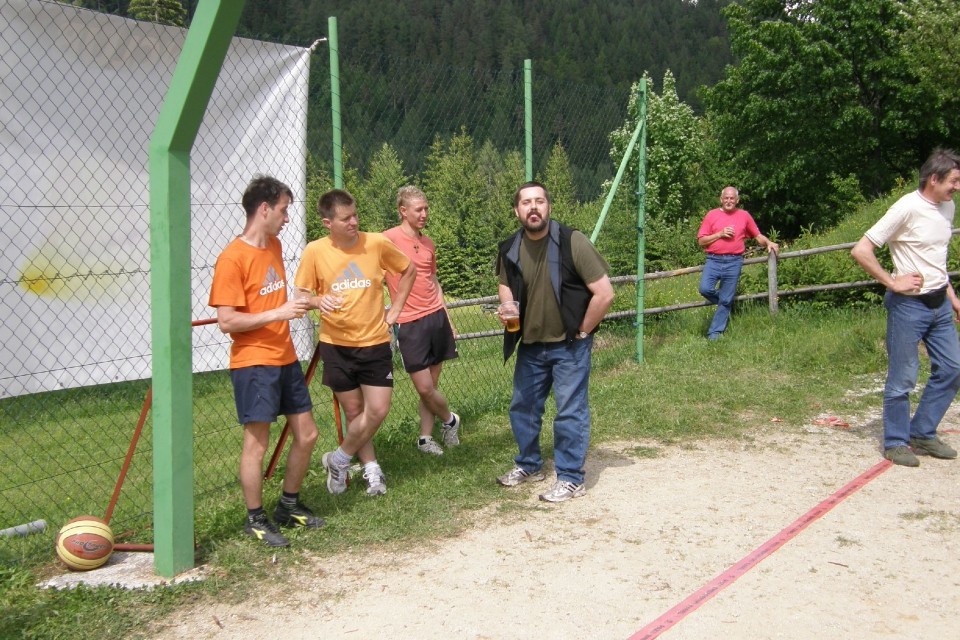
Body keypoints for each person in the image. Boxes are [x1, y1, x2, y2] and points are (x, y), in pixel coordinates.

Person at [208, 175, 324, 548]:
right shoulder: (231, 259)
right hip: (254, 363)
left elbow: (278, 302)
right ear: (264, 209)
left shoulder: (273, 245)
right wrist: (278, 313)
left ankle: (288, 506)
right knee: (256, 444)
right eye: (283, 210)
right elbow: (227, 321)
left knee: (307, 434)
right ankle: (255, 519)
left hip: (284, 357)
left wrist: (310, 302)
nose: (287, 218)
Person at [495, 181, 615, 502]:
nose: (533, 208)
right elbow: (505, 284)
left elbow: (605, 293)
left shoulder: (571, 242)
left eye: (539, 202)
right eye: (526, 203)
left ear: (549, 206)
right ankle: (529, 464)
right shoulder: (509, 247)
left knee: (569, 411)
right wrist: (508, 305)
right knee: (523, 408)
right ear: (517, 210)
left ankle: (571, 477)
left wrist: (584, 331)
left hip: (569, 344)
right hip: (531, 345)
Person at [295, 189, 416, 496]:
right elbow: (300, 298)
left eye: (355, 215)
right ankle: (371, 468)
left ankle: (339, 459)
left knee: (377, 409)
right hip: (336, 345)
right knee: (354, 412)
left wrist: (397, 308)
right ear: (327, 222)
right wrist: (318, 300)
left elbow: (408, 269)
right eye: (345, 218)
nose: (354, 222)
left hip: (374, 342)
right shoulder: (315, 251)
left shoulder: (374, 243)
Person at [851, 148, 960, 467]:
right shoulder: (907, 207)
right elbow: (862, 249)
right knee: (904, 377)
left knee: (953, 368)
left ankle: (923, 432)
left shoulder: (947, 207)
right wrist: (892, 281)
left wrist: (952, 298)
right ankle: (896, 441)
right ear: (934, 179)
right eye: (953, 181)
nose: (957, 187)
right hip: (908, 307)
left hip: (939, 303)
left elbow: (936, 259)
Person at [383, 186, 461, 455]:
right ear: (403, 211)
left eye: (427, 208)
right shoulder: (387, 240)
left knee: (433, 385)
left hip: (436, 317)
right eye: (419, 209)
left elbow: (433, 281)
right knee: (425, 387)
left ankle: (425, 438)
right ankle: (450, 420)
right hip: (409, 321)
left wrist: (448, 318)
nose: (425, 214)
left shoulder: (428, 243)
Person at [697, 186, 779, 340]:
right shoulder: (711, 215)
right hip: (713, 260)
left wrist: (769, 242)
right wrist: (720, 234)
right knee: (705, 289)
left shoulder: (744, 216)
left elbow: (757, 235)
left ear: (737, 200)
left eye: (732, 198)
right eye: (726, 198)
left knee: (726, 299)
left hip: (734, 261)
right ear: (721, 200)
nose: (729, 201)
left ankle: (715, 333)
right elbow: (701, 241)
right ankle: (726, 304)